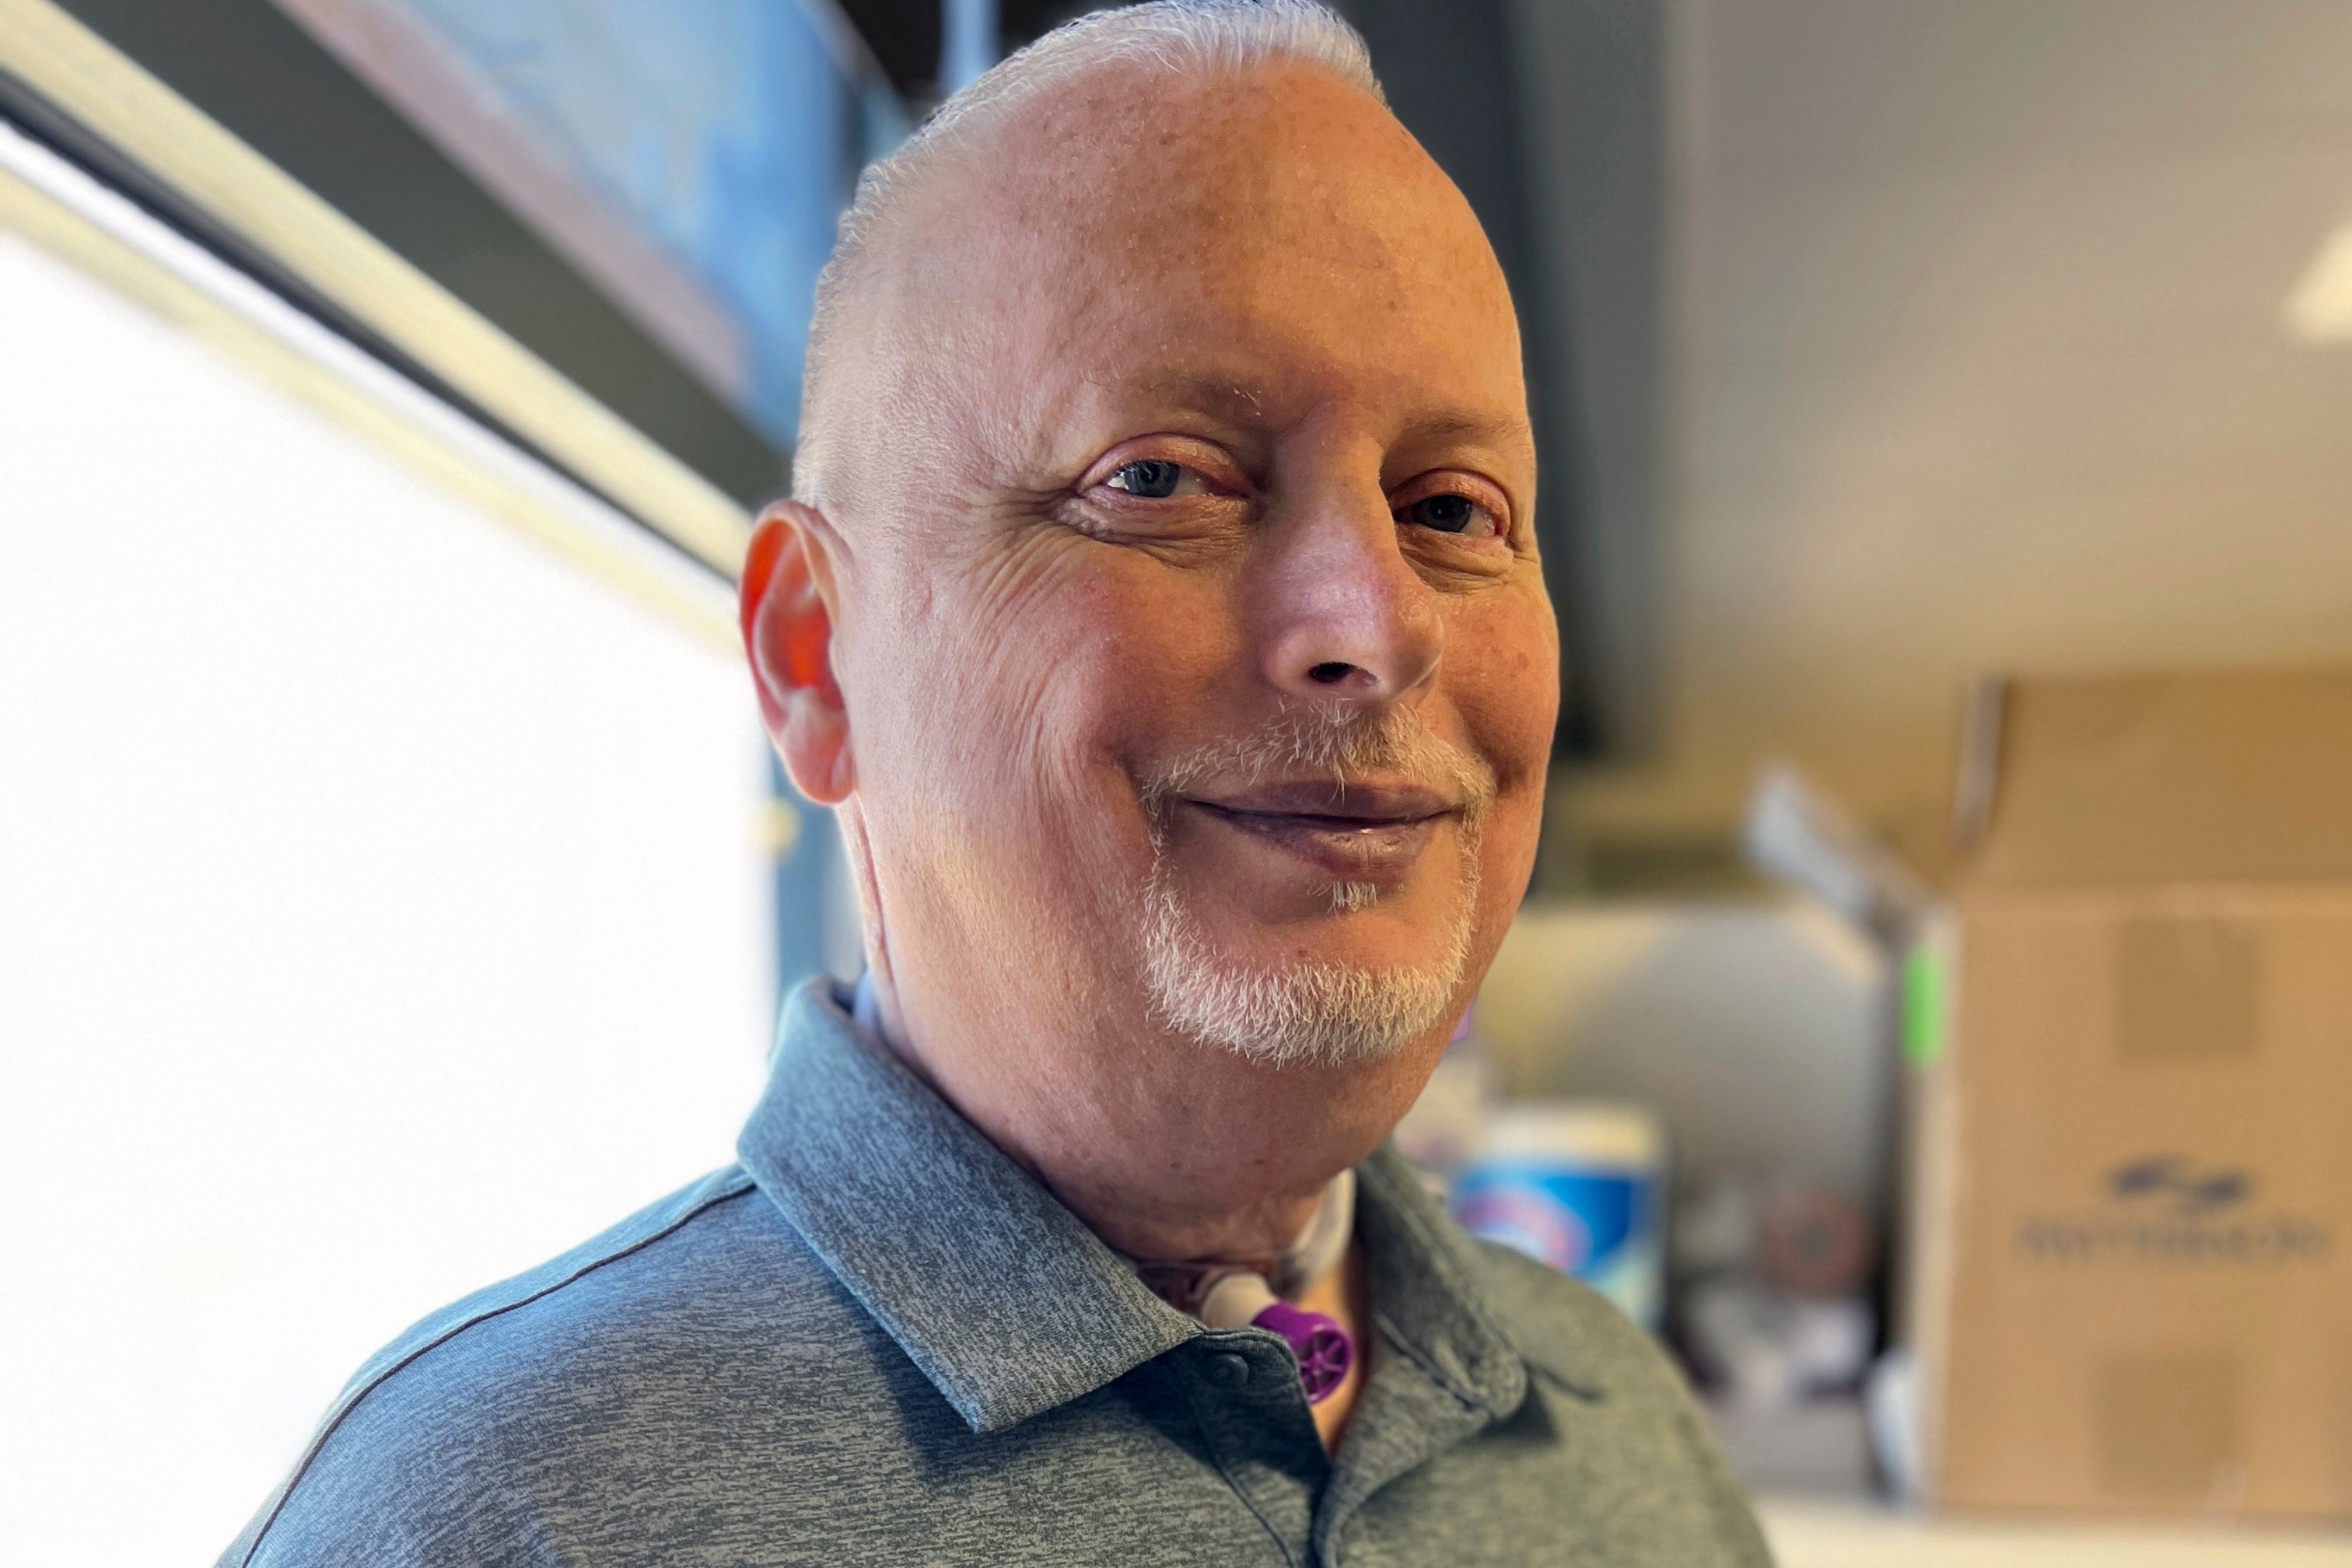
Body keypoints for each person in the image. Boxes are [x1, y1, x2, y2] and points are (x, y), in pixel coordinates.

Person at [221, 3, 1769, 1563]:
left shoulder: (1624, 1441)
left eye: (1452, 507)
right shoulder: (494, 1514)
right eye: (1159, 479)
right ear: (818, 660)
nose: (1376, 624)